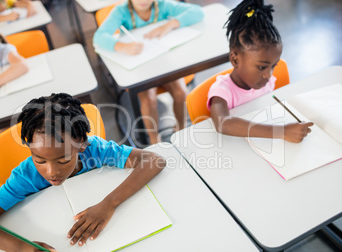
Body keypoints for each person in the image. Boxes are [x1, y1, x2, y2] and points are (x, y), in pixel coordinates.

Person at [0, 93, 166, 252]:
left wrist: (109, 204)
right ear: (29, 149)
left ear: (81, 145)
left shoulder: (94, 150)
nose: (51, 171)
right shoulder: (26, 176)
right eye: (40, 160)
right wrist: (20, 249)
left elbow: (154, 160)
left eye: (63, 160)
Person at [93, 0, 204, 144]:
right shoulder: (121, 11)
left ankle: (181, 128)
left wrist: (170, 24)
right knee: (149, 100)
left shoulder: (163, 5)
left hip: (165, 62)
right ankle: (154, 139)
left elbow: (198, 12)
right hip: (142, 66)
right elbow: (99, 37)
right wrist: (122, 46)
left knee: (181, 93)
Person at [208, 0, 313, 143]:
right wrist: (281, 132)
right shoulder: (222, 90)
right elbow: (223, 124)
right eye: (262, 67)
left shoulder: (265, 82)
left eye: (273, 66)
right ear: (235, 59)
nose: (268, 75)